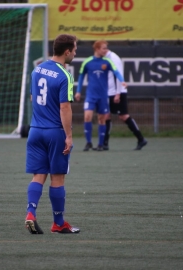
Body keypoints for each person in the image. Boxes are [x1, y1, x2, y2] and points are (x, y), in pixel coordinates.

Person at [25, 34, 80, 234]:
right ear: (67, 51)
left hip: (35, 131)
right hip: (54, 133)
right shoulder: (65, 74)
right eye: (74, 49)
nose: (75, 52)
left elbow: (33, 97)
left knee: (39, 175)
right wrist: (69, 135)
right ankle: (58, 223)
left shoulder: (37, 69)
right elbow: (64, 107)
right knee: (57, 178)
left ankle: (30, 213)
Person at [75, 40, 127, 151]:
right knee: (87, 116)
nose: (106, 50)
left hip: (103, 96)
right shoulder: (87, 62)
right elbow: (81, 77)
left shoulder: (107, 62)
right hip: (91, 95)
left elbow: (117, 72)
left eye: (106, 48)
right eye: (104, 48)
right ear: (97, 49)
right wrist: (78, 91)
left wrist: (122, 81)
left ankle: (100, 144)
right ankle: (88, 142)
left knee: (102, 119)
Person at [104, 48, 147, 150]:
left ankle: (141, 139)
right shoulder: (104, 58)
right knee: (106, 116)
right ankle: (104, 143)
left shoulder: (113, 58)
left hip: (117, 92)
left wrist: (118, 93)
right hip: (109, 92)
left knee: (123, 116)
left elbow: (119, 75)